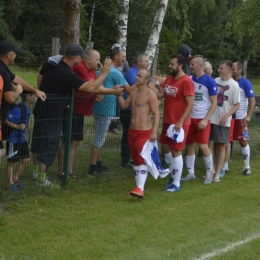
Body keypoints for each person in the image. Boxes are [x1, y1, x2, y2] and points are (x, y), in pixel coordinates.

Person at [30, 44, 113, 187]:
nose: (82, 60)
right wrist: (104, 73)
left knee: (38, 140)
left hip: (40, 108)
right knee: (50, 144)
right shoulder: (68, 74)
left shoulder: (52, 63)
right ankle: (42, 180)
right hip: (54, 113)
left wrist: (42, 92)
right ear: (75, 57)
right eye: (81, 57)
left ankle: (35, 171)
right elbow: (90, 88)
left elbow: (40, 75)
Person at [57, 49, 123, 179]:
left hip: (80, 110)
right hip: (72, 109)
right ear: (89, 59)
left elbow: (98, 87)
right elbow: (93, 88)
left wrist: (109, 90)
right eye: (97, 59)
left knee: (74, 142)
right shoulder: (81, 69)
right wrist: (106, 77)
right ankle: (63, 171)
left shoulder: (91, 70)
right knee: (68, 141)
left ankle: (68, 170)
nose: (99, 62)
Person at [149, 54, 195, 192]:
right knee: (165, 148)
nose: (170, 66)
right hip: (168, 121)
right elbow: (160, 95)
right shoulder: (169, 78)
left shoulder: (186, 81)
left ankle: (176, 183)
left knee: (176, 151)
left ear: (180, 65)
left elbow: (191, 104)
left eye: (172, 64)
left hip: (179, 123)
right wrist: (150, 85)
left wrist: (180, 121)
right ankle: (173, 174)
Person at [88, 44, 131, 176]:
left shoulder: (101, 71)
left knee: (99, 136)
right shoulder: (115, 73)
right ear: (116, 56)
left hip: (98, 107)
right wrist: (143, 84)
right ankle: (92, 168)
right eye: (123, 56)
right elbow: (129, 90)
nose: (124, 58)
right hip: (106, 109)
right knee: (99, 139)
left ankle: (99, 164)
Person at [117, 69, 159, 198]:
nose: (136, 77)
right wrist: (118, 94)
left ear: (146, 80)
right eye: (137, 75)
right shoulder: (134, 92)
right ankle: (138, 187)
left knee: (141, 159)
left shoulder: (150, 94)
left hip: (144, 132)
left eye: (139, 76)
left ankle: (140, 188)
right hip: (132, 130)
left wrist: (154, 132)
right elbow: (124, 106)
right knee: (135, 159)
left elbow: (156, 113)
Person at [181, 55, 217, 184]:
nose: (190, 67)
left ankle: (209, 172)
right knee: (189, 145)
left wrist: (206, 119)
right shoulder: (189, 79)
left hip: (202, 119)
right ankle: (191, 173)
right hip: (190, 118)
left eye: (192, 64)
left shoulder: (210, 81)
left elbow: (214, 103)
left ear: (200, 66)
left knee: (203, 146)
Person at [0, 40, 46, 141]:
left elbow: (17, 79)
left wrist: (35, 91)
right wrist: (17, 91)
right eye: (15, 53)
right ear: (9, 54)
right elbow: (10, 98)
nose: (16, 55)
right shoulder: (2, 71)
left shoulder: (3, 68)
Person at [221, 62, 255, 177]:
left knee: (242, 141)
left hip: (240, 118)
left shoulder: (245, 83)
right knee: (226, 141)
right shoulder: (228, 81)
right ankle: (224, 166)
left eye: (234, 69)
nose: (232, 71)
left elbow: (252, 101)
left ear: (240, 70)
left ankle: (247, 167)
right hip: (229, 117)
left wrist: (248, 115)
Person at [210, 60, 240, 182]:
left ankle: (217, 173)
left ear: (228, 70)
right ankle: (211, 169)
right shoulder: (215, 81)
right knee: (207, 144)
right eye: (219, 67)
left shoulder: (234, 85)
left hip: (223, 120)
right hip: (211, 118)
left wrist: (226, 116)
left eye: (221, 68)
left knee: (220, 146)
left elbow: (237, 104)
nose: (219, 70)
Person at [120, 53, 150, 168]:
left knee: (135, 135)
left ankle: (135, 158)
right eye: (146, 61)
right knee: (127, 134)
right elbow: (142, 86)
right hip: (129, 110)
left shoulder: (141, 73)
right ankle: (125, 159)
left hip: (137, 110)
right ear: (139, 63)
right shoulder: (133, 74)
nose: (148, 63)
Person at [5, 92, 37, 192]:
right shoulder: (18, 109)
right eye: (34, 96)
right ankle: (9, 183)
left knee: (26, 159)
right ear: (28, 96)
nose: (36, 98)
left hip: (22, 139)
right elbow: (6, 120)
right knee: (12, 161)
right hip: (13, 139)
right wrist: (17, 127)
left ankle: (15, 178)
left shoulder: (27, 109)